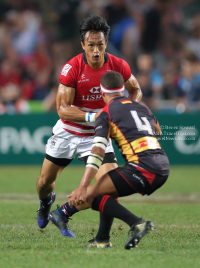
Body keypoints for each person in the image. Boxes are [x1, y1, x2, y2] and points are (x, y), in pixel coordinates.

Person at [36, 15, 142, 243]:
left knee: (110, 188)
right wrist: (96, 115)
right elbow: (62, 109)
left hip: (97, 135)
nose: (96, 50)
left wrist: (129, 109)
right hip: (68, 131)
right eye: (91, 45)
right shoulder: (72, 68)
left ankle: (101, 238)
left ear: (106, 44)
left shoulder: (118, 65)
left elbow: (135, 90)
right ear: (83, 44)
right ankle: (46, 203)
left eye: (100, 45)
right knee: (44, 183)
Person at [49, 71, 169, 249]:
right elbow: (157, 130)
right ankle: (101, 239)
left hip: (142, 168)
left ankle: (137, 224)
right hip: (162, 166)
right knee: (104, 192)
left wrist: (83, 185)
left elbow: (97, 151)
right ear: (123, 91)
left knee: (93, 195)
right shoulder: (142, 107)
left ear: (103, 94)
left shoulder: (106, 113)